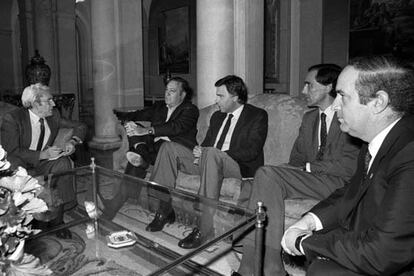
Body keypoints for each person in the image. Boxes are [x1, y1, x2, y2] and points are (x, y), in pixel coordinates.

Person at [281, 55, 414, 275]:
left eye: (342, 96)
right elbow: (352, 192)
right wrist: (310, 221)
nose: (334, 106)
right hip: (371, 244)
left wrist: (305, 242)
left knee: (322, 270)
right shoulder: (378, 139)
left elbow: (384, 253)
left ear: (378, 102)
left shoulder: (409, 153)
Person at [233, 64, 362, 276]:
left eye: (309, 85)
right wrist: (283, 169)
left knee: (265, 174)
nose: (303, 91)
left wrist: (308, 167)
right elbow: (297, 159)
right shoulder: (309, 118)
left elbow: (349, 166)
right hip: (312, 179)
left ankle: (263, 266)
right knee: (257, 177)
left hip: (339, 183)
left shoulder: (348, 118)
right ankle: (252, 259)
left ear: (329, 86)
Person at [147, 75, 268, 249]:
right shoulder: (217, 117)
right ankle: (164, 209)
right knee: (169, 147)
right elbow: (207, 144)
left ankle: (204, 228)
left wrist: (214, 153)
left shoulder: (257, 115)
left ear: (235, 97)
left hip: (237, 166)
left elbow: (252, 151)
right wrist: (199, 150)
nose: (216, 100)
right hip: (211, 161)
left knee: (211, 154)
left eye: (220, 96)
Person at [103, 77, 199, 219]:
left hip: (173, 150)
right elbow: (140, 113)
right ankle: (143, 157)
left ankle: (115, 203)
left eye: (172, 91)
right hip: (153, 148)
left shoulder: (190, 109)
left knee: (138, 158)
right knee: (133, 128)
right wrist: (126, 119)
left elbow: (176, 127)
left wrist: (147, 131)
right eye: (166, 90)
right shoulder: (160, 107)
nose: (167, 94)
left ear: (182, 95)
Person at [1, 83, 86, 238]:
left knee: (63, 163)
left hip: (42, 164)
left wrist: (72, 141)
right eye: (49, 100)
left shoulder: (53, 116)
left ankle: (58, 221)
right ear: (35, 103)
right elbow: (11, 150)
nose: (53, 104)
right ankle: (29, 219)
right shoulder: (12, 118)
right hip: (18, 165)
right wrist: (42, 155)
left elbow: (80, 126)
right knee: (19, 169)